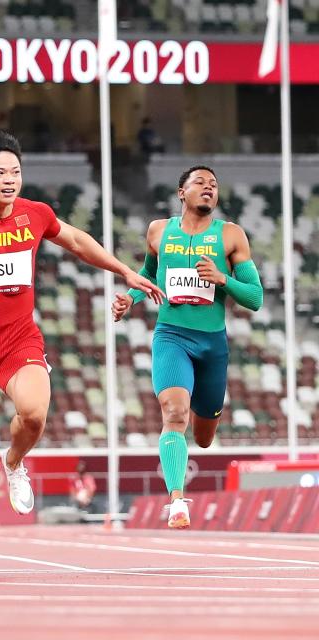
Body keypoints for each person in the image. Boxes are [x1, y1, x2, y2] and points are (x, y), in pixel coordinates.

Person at [0, 130, 163, 547]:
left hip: (18, 341)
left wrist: (125, 272)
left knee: (35, 413)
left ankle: (14, 462)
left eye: (16, 172)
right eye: (0, 172)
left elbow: (77, 241)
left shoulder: (35, 214)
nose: (9, 179)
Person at [112, 165, 262, 528]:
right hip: (172, 337)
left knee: (204, 436)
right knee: (174, 415)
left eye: (214, 185)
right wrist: (132, 298)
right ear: (182, 192)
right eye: (200, 183)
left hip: (212, 345)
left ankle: (206, 417)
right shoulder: (159, 231)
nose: (209, 188)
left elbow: (255, 297)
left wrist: (222, 278)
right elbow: (149, 274)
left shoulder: (230, 236)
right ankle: (178, 501)